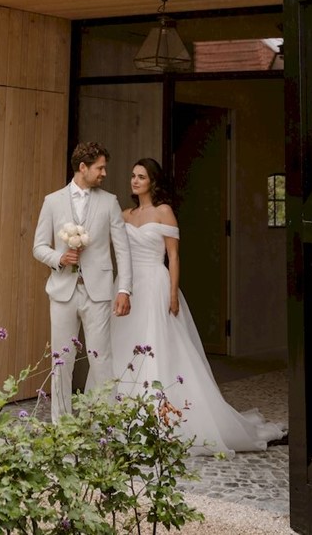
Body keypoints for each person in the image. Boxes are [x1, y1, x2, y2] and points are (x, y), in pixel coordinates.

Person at [111, 157, 286, 455]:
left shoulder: (164, 212)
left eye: (141, 176)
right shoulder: (125, 215)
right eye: (133, 176)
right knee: (124, 347)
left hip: (154, 283)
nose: (135, 181)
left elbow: (173, 257)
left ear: (153, 181)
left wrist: (172, 294)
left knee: (156, 346)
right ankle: (125, 415)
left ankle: (158, 417)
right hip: (128, 285)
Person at [34, 142, 133, 423]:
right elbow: (38, 247)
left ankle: (106, 426)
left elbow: (122, 250)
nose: (104, 173)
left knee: (101, 359)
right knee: (61, 362)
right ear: (83, 167)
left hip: (98, 293)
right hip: (62, 292)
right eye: (100, 168)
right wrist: (60, 258)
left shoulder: (110, 202)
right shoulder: (52, 201)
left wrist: (124, 289)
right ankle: (62, 426)